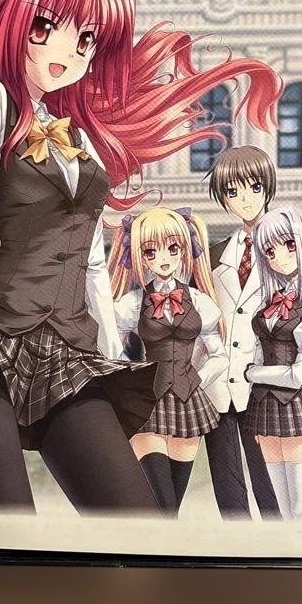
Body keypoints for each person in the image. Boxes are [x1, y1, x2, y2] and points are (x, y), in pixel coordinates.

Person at [0, 0, 282, 513]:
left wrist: (105, 344)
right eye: (46, 27)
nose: (68, 52)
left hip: (65, 354)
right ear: (10, 20)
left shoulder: (77, 137)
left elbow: (91, 261)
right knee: (4, 527)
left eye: (85, 41)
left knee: (135, 522)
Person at [110, 207, 225, 516]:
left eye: (172, 248)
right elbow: (112, 350)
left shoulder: (200, 301)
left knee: (171, 509)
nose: (163, 257)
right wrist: (130, 380)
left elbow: (219, 355)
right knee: (162, 504)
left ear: (184, 250)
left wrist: (197, 378)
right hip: (146, 402)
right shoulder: (132, 303)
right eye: (151, 251)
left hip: (189, 402)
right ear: (140, 256)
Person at [203, 146, 281, 518]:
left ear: (267, 187)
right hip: (219, 380)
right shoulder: (214, 254)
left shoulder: (289, 251)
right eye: (233, 192)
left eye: (254, 187)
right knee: (227, 481)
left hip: (265, 381)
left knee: (271, 480)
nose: (245, 200)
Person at [246, 206, 302, 518]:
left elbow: (297, 376)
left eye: (289, 244)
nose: (278, 257)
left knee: (298, 506)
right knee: (282, 507)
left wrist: (254, 374)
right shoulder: (271, 300)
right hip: (264, 404)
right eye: (269, 251)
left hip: (295, 402)